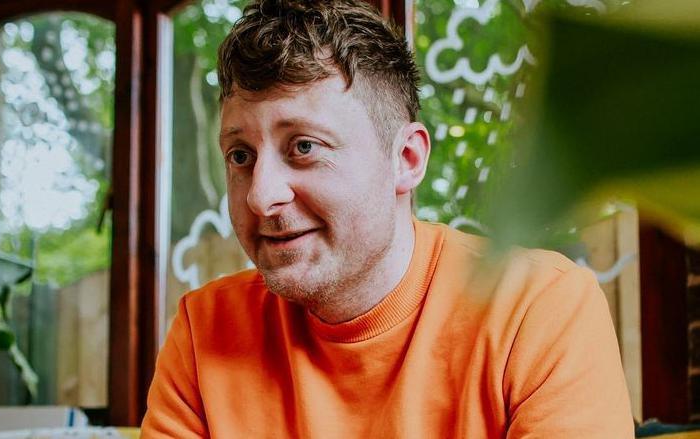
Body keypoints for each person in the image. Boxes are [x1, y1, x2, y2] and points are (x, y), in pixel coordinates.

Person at [141, 0, 634, 437]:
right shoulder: (204, 331)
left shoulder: (539, 310)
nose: (260, 197)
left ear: (406, 159)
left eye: (304, 146)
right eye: (241, 156)